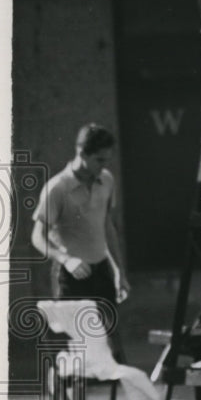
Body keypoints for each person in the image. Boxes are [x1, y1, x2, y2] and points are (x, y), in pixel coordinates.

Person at [31, 123, 130, 353]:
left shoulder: (106, 180)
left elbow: (107, 226)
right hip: (71, 277)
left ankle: (115, 387)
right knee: (74, 348)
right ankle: (60, 386)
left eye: (107, 160)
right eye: (99, 160)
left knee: (112, 347)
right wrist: (67, 259)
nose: (104, 166)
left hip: (101, 272)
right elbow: (38, 236)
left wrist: (119, 271)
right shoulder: (57, 188)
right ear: (81, 153)